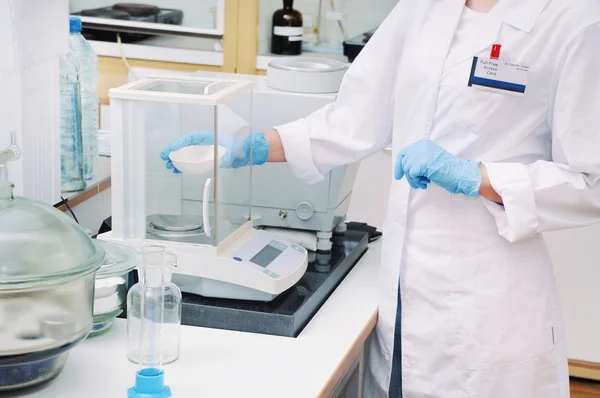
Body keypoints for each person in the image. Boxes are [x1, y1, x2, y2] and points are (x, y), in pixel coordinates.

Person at [161, 0, 600, 396]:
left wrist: (479, 177)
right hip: (404, 285)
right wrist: (251, 146)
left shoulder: (573, 19)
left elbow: (590, 180)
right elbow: (355, 118)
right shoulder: (422, 8)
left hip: (491, 296)